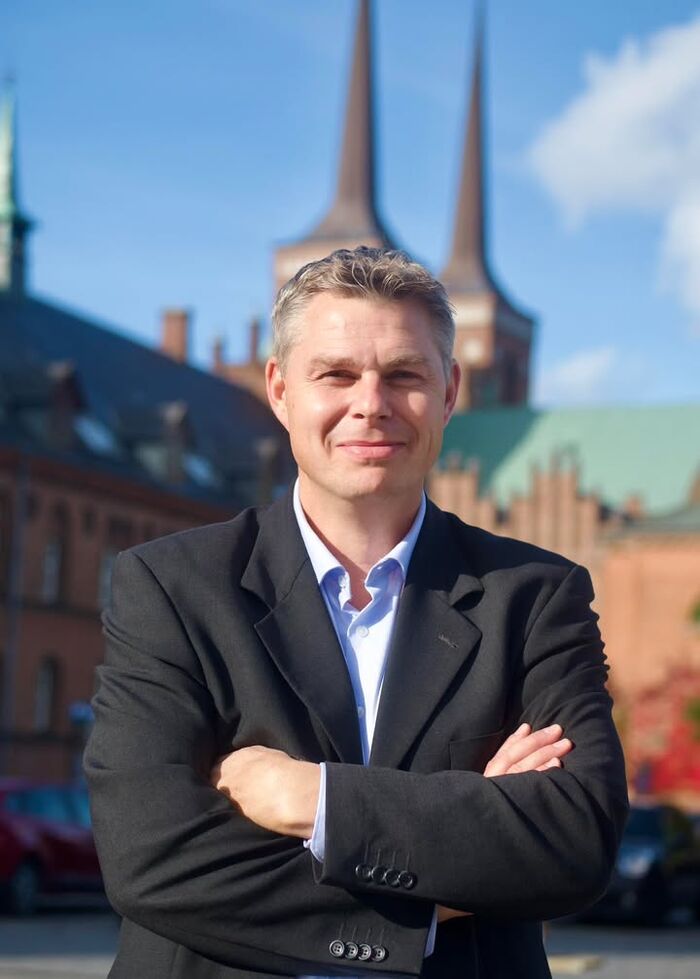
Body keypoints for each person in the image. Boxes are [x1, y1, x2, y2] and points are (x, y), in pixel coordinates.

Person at [84, 247, 628, 979]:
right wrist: (442, 886)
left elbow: (575, 841)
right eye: (336, 374)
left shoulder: (534, 595)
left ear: (449, 392)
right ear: (280, 390)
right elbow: (150, 858)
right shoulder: (172, 586)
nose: (371, 403)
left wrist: (313, 799)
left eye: (404, 375)